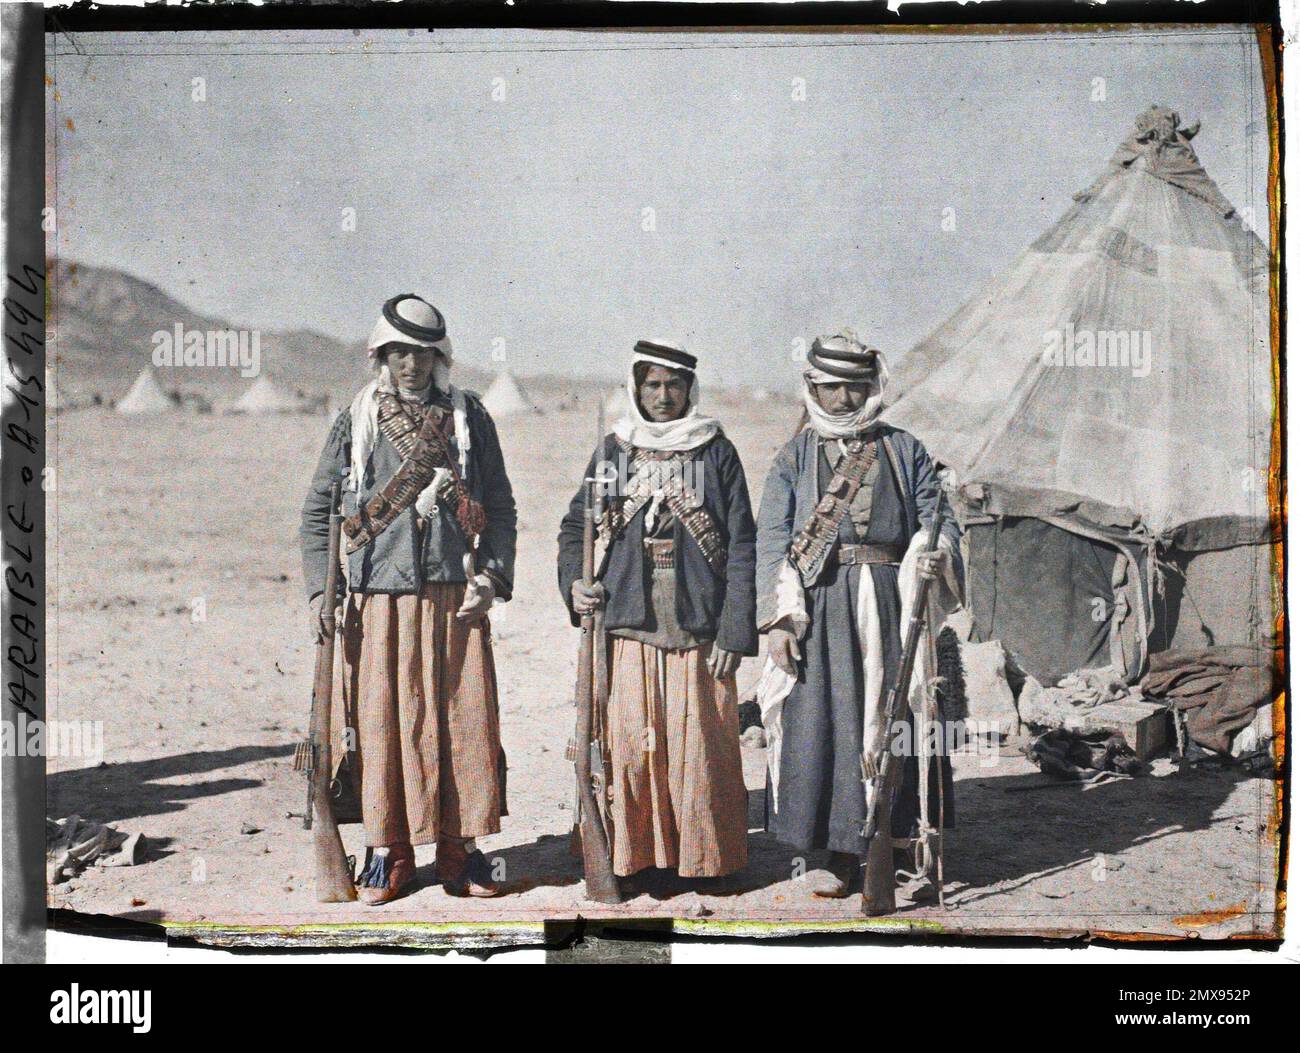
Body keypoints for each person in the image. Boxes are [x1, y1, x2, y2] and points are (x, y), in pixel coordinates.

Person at [299, 293, 516, 904]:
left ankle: (459, 851)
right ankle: (390, 851)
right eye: (398, 354)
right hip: (379, 599)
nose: (410, 366)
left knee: (463, 722)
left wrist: (492, 578)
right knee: (383, 724)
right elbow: (319, 511)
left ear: (437, 357)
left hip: (455, 597)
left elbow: (499, 507)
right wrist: (322, 588)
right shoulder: (358, 418)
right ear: (381, 356)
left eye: (420, 354)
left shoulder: (469, 417)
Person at [753, 331, 963, 913]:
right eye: (831, 386)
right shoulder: (794, 456)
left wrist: (933, 550)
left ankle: (897, 844)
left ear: (872, 388)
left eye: (855, 386)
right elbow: (772, 539)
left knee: (897, 714)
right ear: (812, 387)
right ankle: (832, 854)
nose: (843, 398)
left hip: (896, 601)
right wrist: (777, 621)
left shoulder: (904, 448)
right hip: (819, 606)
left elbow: (939, 521)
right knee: (826, 722)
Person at [557, 340, 756, 888]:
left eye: (674, 385)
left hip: (698, 621)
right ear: (636, 388)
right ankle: (634, 858)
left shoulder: (716, 452)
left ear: (690, 390)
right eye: (652, 385)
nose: (663, 396)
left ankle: (705, 859)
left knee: (700, 745)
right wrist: (575, 583)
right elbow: (576, 529)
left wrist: (736, 630)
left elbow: (742, 545)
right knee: (629, 742)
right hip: (626, 619)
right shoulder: (615, 451)